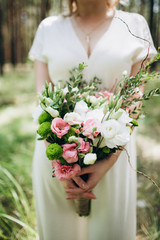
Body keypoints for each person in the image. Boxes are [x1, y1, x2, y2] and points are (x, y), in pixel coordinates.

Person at [29, 0, 157, 239]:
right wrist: (58, 159)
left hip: (114, 153)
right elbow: (41, 98)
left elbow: (135, 97)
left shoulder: (134, 25)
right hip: (54, 156)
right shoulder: (48, 28)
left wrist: (107, 162)